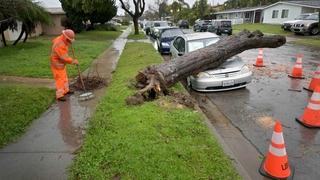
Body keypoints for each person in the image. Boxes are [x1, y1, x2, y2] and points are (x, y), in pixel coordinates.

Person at [50, 29, 79, 101]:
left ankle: (66, 90)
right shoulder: (60, 45)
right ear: (66, 38)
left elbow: (53, 41)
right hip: (57, 64)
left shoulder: (61, 38)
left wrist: (68, 42)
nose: (69, 42)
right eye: (69, 40)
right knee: (60, 79)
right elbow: (64, 58)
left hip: (61, 63)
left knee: (64, 77)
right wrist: (73, 61)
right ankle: (59, 95)